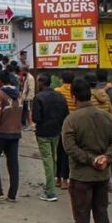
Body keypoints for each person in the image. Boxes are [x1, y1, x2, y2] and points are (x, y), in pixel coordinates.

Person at [57, 79, 112, 223]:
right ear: (91, 94)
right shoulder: (107, 117)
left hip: (81, 177)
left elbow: (70, 148)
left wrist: (90, 160)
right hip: (102, 176)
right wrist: (106, 158)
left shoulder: (71, 120)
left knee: (82, 217)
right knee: (102, 214)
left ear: (73, 96)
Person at [0, 70, 23, 203]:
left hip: (1, 133)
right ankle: (12, 194)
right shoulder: (18, 94)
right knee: (13, 163)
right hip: (15, 132)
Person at [33, 73, 69, 202]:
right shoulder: (60, 96)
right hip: (56, 131)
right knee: (53, 158)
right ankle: (51, 184)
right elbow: (66, 114)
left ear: (42, 82)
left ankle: (50, 192)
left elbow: (36, 118)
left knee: (48, 160)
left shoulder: (38, 98)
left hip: (43, 132)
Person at [55, 71, 76, 188]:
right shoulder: (75, 92)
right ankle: (65, 179)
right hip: (74, 125)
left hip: (60, 125)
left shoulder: (58, 91)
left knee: (59, 152)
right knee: (67, 154)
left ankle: (58, 178)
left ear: (62, 79)